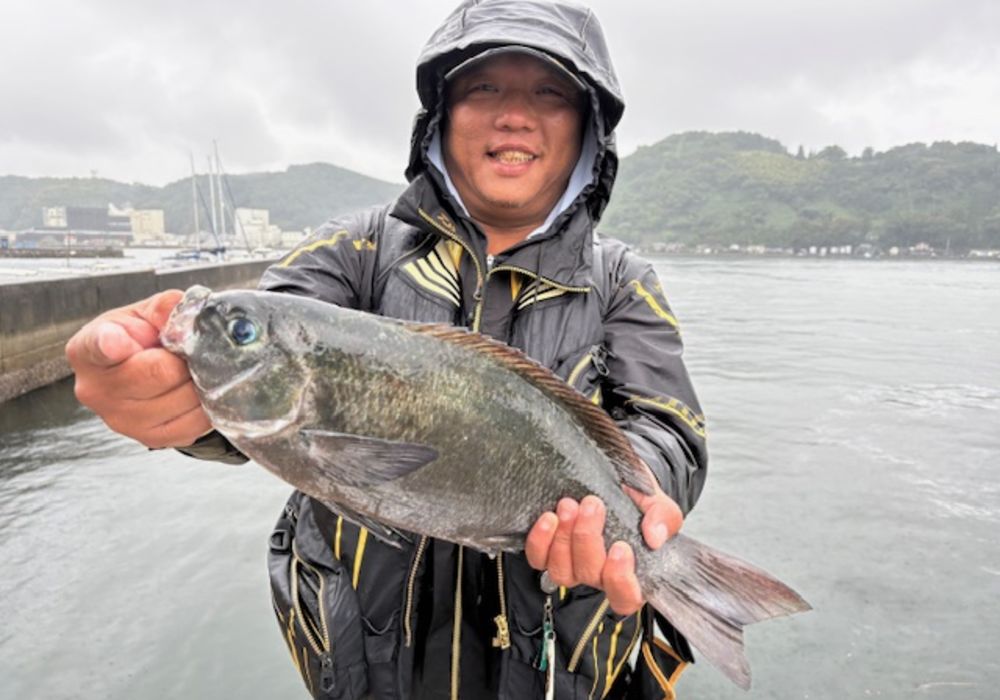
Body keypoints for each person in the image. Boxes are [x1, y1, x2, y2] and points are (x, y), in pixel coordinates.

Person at [65, 1, 708, 698]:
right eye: (483, 86)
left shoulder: (622, 281)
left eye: (550, 93)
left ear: (588, 127)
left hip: (558, 659)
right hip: (359, 664)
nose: (514, 116)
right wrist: (168, 400)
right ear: (441, 115)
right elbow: (256, 382)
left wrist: (637, 505)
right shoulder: (352, 249)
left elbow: (670, 428)